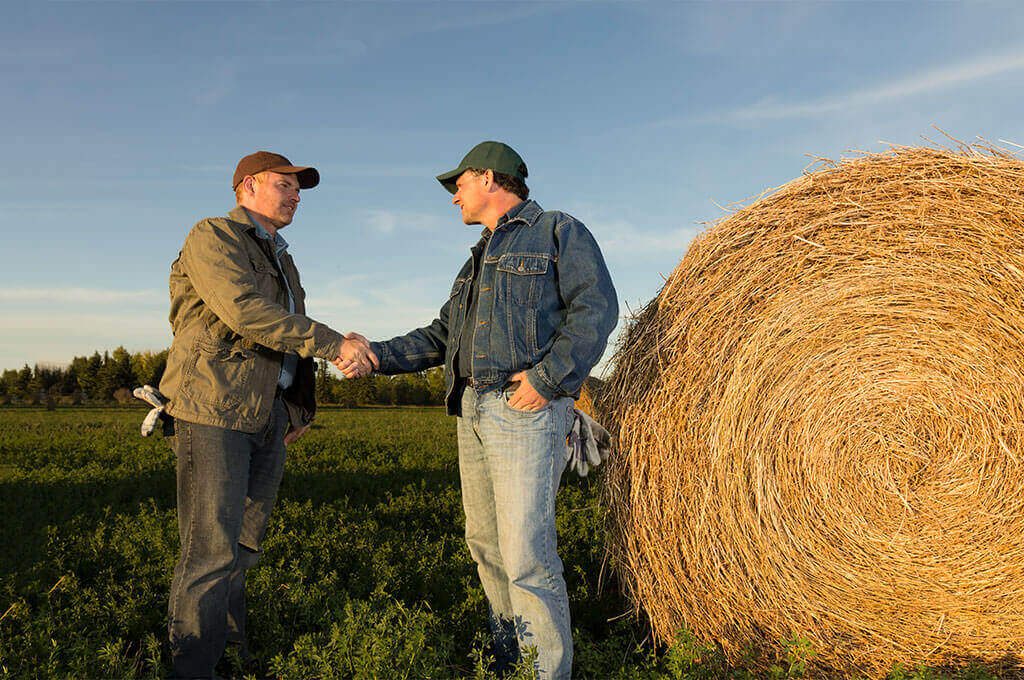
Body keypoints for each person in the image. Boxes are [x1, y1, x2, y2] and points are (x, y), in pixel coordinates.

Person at [355, 141, 618, 679]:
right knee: (487, 547)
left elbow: (596, 309)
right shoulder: (477, 259)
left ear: (489, 179)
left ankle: (546, 673)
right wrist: (375, 355)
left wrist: (547, 382)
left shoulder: (558, 231)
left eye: (460, 183)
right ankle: (513, 666)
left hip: (523, 410)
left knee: (526, 553)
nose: (454, 196)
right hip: (472, 409)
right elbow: (440, 335)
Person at [159, 150, 377, 678]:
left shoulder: (282, 257)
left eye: (298, 188)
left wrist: (297, 406)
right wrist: (334, 344)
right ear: (248, 187)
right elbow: (248, 313)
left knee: (242, 545)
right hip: (214, 411)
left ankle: (229, 653)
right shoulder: (214, 236)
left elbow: (286, 334)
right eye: (286, 185)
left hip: (266, 416)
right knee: (209, 550)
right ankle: (193, 668)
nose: (296, 196)